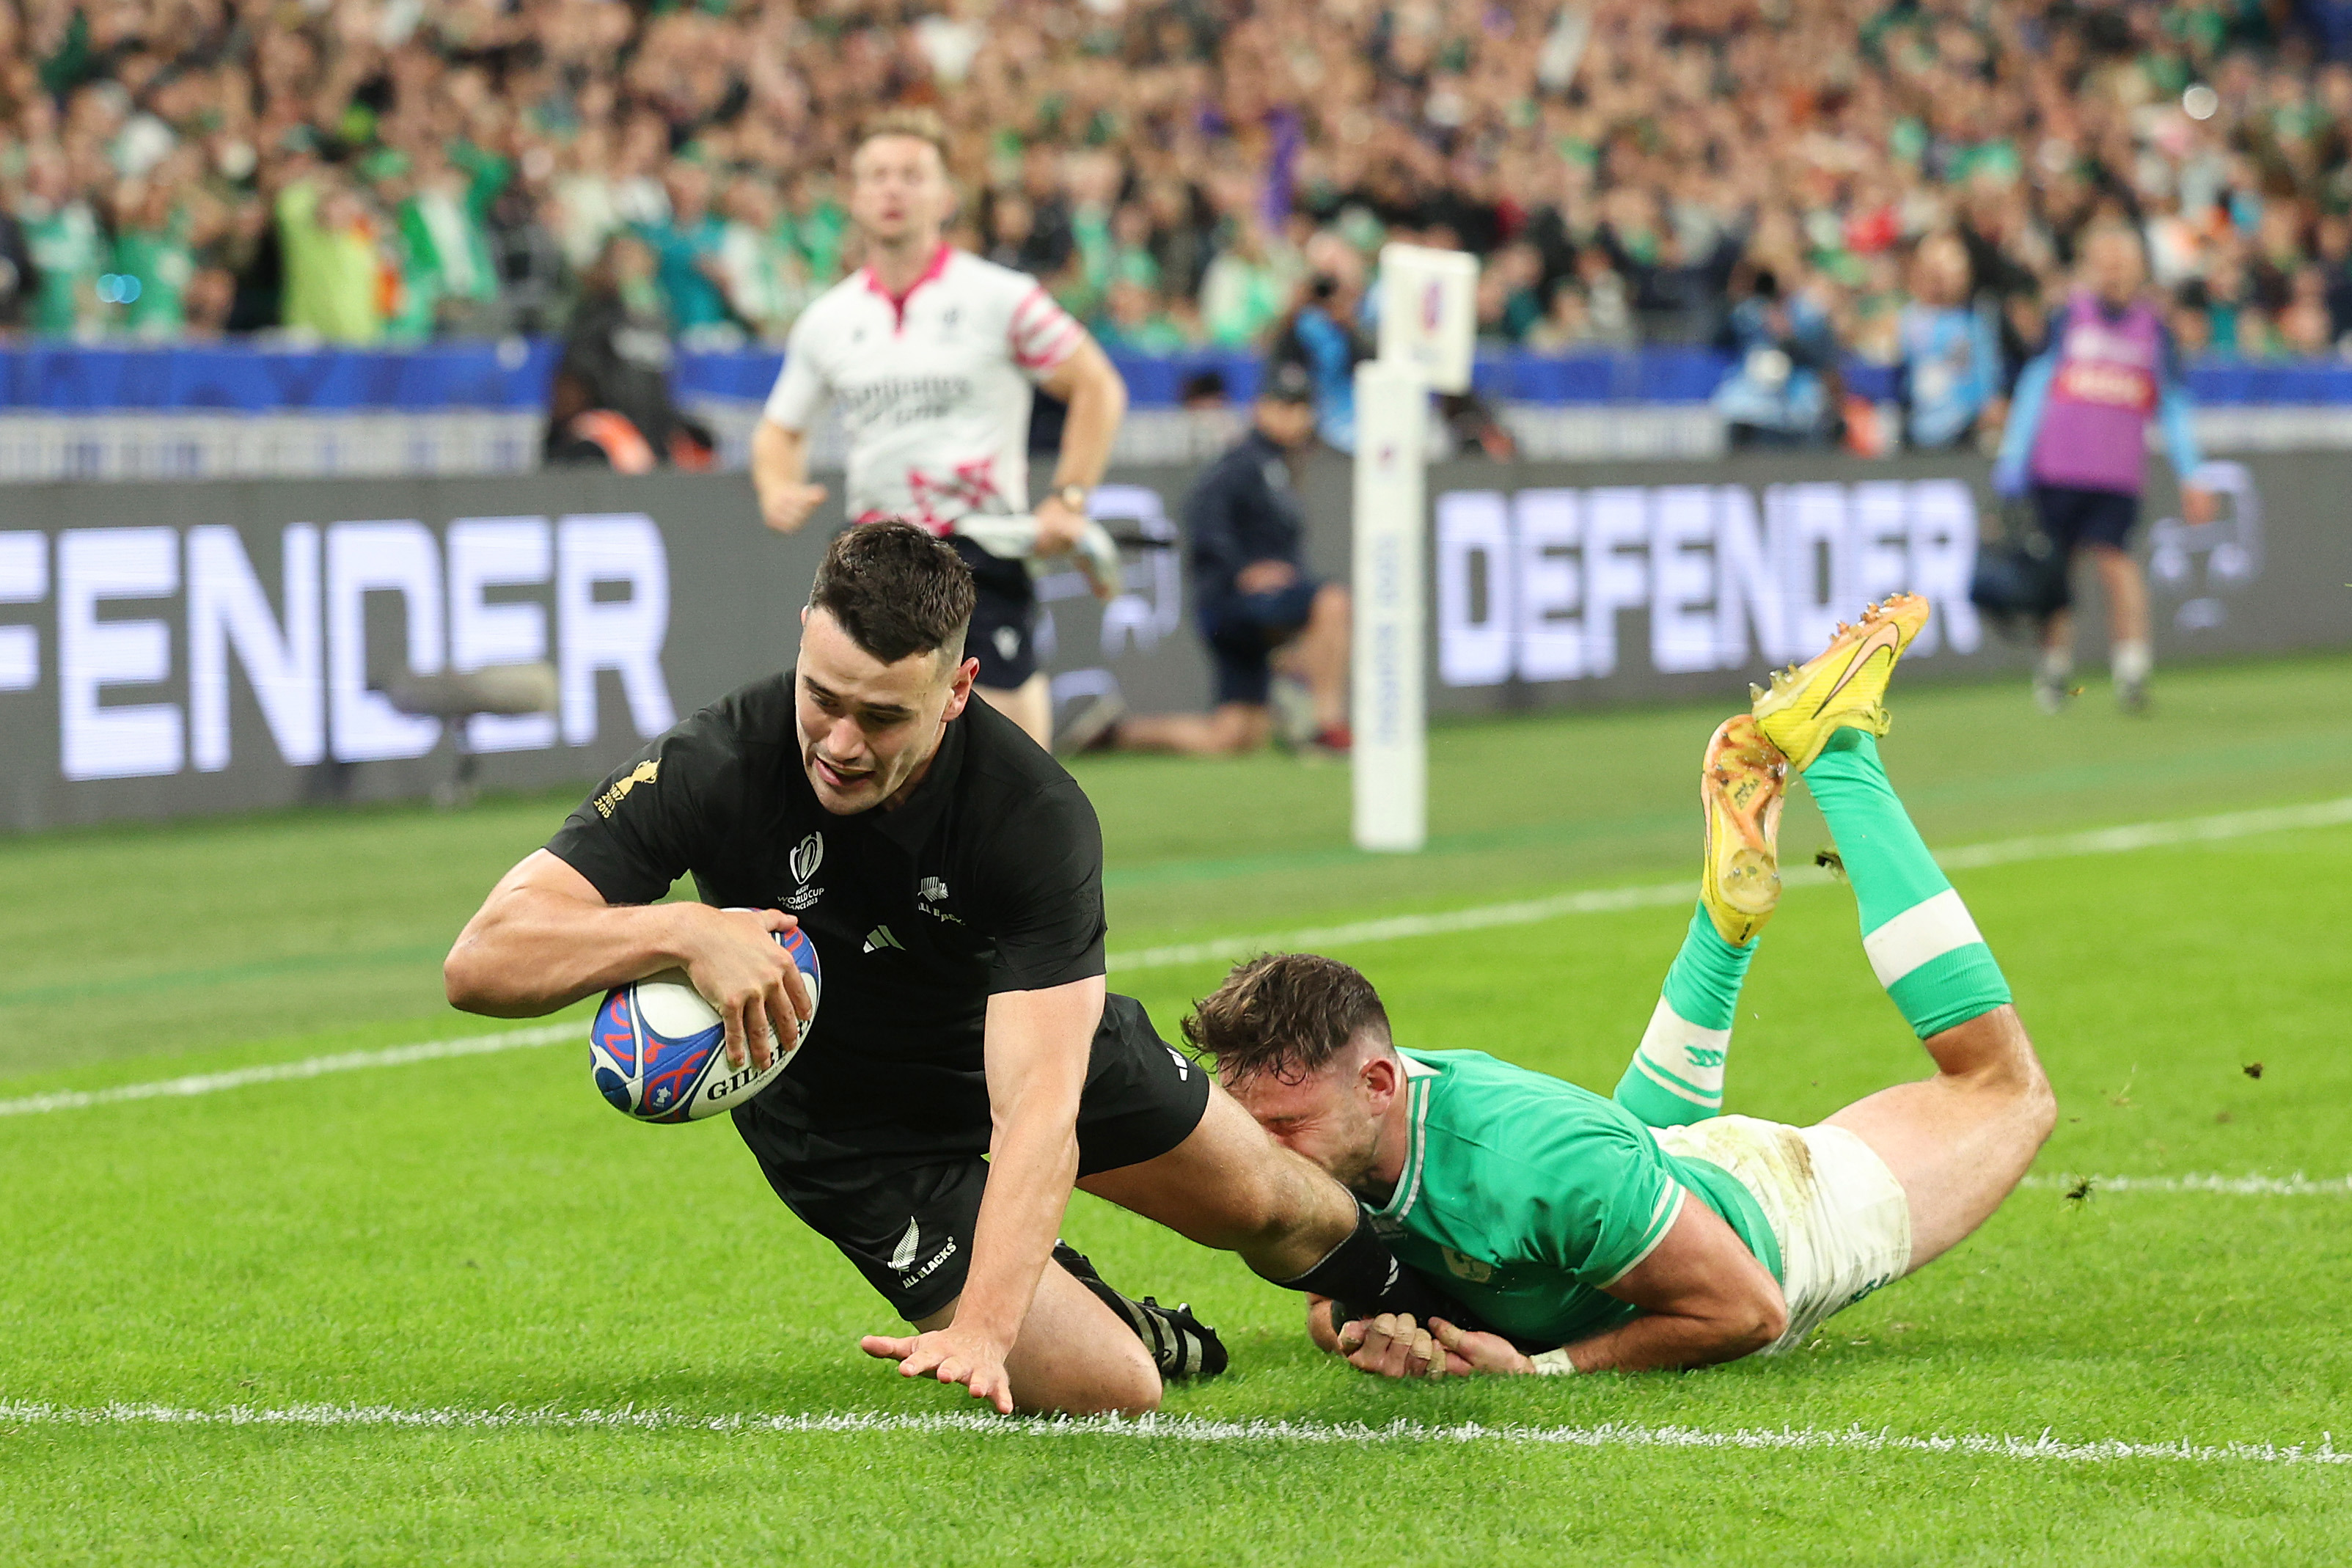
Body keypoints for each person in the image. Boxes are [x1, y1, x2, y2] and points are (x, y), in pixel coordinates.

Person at [443, 524, 1470, 1417]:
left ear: (957, 690)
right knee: (1113, 1385)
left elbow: (1038, 1109)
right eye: (821, 698)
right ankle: (1122, 1319)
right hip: (848, 1133)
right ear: (801, 639)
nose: (840, 742)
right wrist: (679, 930)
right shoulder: (716, 762)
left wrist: (983, 1325)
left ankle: (1427, 1303)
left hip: (1012, 1045)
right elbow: (483, 958)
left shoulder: (1030, 814)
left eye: (883, 717)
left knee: (1274, 1200)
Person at [1195, 594, 2056, 1379]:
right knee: (1606, 1178)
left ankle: (1838, 752)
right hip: (1636, 1164)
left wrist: (1541, 1369)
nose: (1260, 1151)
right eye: (1253, 1122)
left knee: (2003, 1087)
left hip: (1775, 1214)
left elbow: (1749, 1310)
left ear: (1381, 1083)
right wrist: (1362, 1325)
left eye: (1285, 1126)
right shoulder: (1333, 1124)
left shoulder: (1530, 1158)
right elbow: (1333, 1285)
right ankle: (1722, 928)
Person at [750, 109, 1129, 751]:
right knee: (856, 750)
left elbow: (1097, 386)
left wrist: (1069, 498)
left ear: (946, 195)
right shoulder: (828, 319)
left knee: (1012, 759)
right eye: (876, 175)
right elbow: (778, 430)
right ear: (854, 197)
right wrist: (775, 485)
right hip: (873, 553)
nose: (892, 189)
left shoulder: (999, 297)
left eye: (911, 174)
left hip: (978, 547)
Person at [1067, 362, 1349, 756]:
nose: (1295, 416)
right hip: (1233, 603)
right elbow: (1201, 514)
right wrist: (1241, 570)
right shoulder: (1243, 461)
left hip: (1251, 608)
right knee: (1332, 602)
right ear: (1261, 407)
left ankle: (1118, 735)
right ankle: (1326, 728)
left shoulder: (1279, 465)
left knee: (1235, 737)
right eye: (1284, 405)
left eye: (1302, 407)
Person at [1995, 224, 2216, 716]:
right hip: (2059, 467)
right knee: (2058, 572)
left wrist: (2193, 473)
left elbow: (2173, 405)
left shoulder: (2153, 330)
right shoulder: (2067, 317)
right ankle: (2053, 670)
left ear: (2139, 270)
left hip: (2115, 472)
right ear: (2089, 268)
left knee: (2118, 566)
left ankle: (2132, 670)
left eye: (2122, 263)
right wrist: (2014, 456)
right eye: (2105, 263)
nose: (2113, 273)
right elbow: (2034, 384)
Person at [1894, 233, 2003, 452]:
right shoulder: (1910, 319)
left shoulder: (1977, 319)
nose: (1943, 278)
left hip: (1967, 430)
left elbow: (1988, 374)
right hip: (1920, 430)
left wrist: (1989, 406)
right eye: (1936, 269)